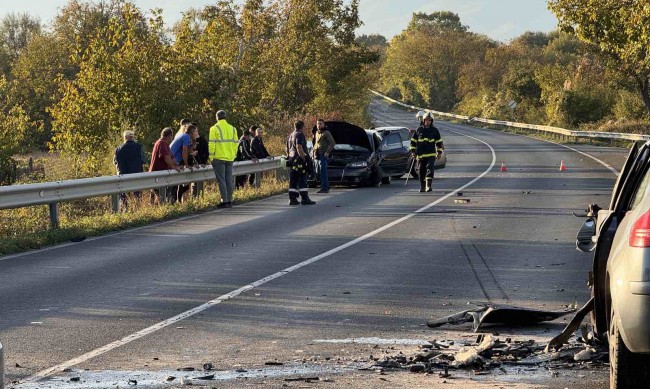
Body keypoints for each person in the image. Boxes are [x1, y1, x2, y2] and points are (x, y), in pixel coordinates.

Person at [209, 110, 239, 209]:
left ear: (217, 117)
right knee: (229, 179)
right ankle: (229, 200)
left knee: (221, 180)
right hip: (230, 158)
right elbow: (236, 144)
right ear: (226, 117)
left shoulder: (214, 128)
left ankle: (224, 201)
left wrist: (211, 157)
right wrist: (233, 155)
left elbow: (212, 144)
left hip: (218, 157)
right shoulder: (233, 129)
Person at [410, 112, 444, 192]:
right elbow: (413, 142)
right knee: (421, 171)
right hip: (420, 156)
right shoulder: (418, 130)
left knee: (429, 168)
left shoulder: (435, 131)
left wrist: (439, 153)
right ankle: (422, 187)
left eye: (429, 120)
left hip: (431, 154)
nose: (428, 121)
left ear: (431, 121)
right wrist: (413, 152)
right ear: (423, 120)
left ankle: (428, 186)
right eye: (426, 120)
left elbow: (439, 142)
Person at [113, 130, 146, 210]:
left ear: (124, 138)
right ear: (133, 137)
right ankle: (137, 208)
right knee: (137, 193)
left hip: (123, 175)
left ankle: (125, 207)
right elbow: (144, 160)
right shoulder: (139, 147)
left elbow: (115, 162)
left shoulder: (118, 149)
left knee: (123, 192)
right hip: (136, 175)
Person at [286, 120, 315, 205]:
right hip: (299, 161)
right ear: (302, 127)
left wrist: (289, 157)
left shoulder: (290, 135)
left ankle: (292, 198)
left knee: (293, 180)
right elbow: (299, 147)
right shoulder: (299, 135)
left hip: (292, 160)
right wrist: (304, 159)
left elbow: (287, 148)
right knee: (302, 179)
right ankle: (304, 198)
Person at [149, 127, 181, 204]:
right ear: (169, 136)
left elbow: (171, 157)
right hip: (157, 174)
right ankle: (159, 208)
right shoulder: (162, 143)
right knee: (161, 195)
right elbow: (166, 157)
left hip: (160, 174)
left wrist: (178, 165)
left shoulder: (165, 144)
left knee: (161, 195)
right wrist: (174, 167)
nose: (172, 139)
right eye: (172, 136)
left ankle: (157, 207)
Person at [174, 124, 200, 202]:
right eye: (196, 131)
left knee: (180, 184)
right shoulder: (186, 137)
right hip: (174, 160)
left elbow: (188, 152)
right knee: (177, 185)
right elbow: (184, 152)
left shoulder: (187, 137)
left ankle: (178, 201)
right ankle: (176, 201)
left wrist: (193, 144)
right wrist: (187, 165)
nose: (197, 133)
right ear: (192, 132)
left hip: (176, 160)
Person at [312, 119, 335, 193]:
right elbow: (316, 143)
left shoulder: (326, 133)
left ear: (324, 124)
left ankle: (324, 188)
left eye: (320, 124)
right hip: (317, 154)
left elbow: (332, 143)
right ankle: (326, 186)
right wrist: (313, 152)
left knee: (323, 172)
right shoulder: (316, 133)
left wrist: (327, 152)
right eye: (318, 124)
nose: (319, 125)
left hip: (323, 154)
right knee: (318, 172)